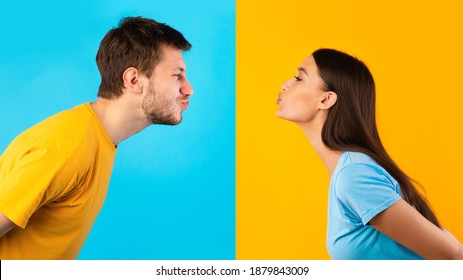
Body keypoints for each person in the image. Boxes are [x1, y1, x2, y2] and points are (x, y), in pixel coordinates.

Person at [0, 16, 194, 259]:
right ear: (134, 80)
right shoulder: (68, 147)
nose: (189, 89)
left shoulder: (97, 139)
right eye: (177, 75)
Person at [276, 48, 463, 260]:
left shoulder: (354, 175)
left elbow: (453, 255)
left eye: (299, 78)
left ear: (326, 100)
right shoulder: (349, 170)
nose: (285, 84)